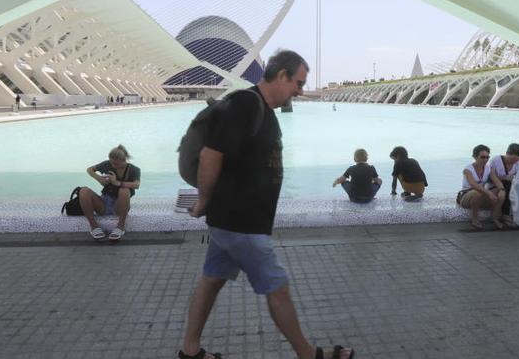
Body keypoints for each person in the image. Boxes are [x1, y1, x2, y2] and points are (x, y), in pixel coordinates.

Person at [181, 50, 354, 359]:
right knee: (277, 288)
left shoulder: (262, 109)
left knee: (211, 282)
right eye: (298, 83)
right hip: (241, 223)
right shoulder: (246, 104)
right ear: (282, 75)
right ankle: (307, 354)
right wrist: (204, 201)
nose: (300, 91)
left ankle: (190, 351)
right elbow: (211, 154)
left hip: (231, 222)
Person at [77, 145, 141, 241]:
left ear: (124, 160)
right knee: (83, 191)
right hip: (103, 202)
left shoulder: (134, 169)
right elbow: (89, 169)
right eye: (111, 162)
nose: (113, 165)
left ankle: (120, 226)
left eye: (116, 164)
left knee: (124, 190)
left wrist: (117, 183)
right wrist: (99, 178)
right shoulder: (107, 164)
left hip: (120, 205)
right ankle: (94, 226)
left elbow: (136, 185)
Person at [457, 144, 509, 230]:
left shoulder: (488, 168)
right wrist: (489, 193)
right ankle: (475, 218)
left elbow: (496, 181)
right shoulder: (468, 169)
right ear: (475, 157)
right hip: (466, 196)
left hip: (481, 195)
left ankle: (494, 217)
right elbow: (474, 185)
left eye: (487, 157)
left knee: (499, 191)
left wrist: (502, 189)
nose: (485, 159)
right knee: (477, 192)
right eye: (482, 157)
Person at [489, 143, 519, 220]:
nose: (514, 162)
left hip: (510, 185)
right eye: (512, 159)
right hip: (494, 185)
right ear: (507, 153)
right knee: (507, 184)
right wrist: (504, 177)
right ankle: (505, 214)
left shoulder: (517, 163)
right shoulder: (495, 160)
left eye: (517, 160)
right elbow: (489, 177)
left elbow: (518, 176)